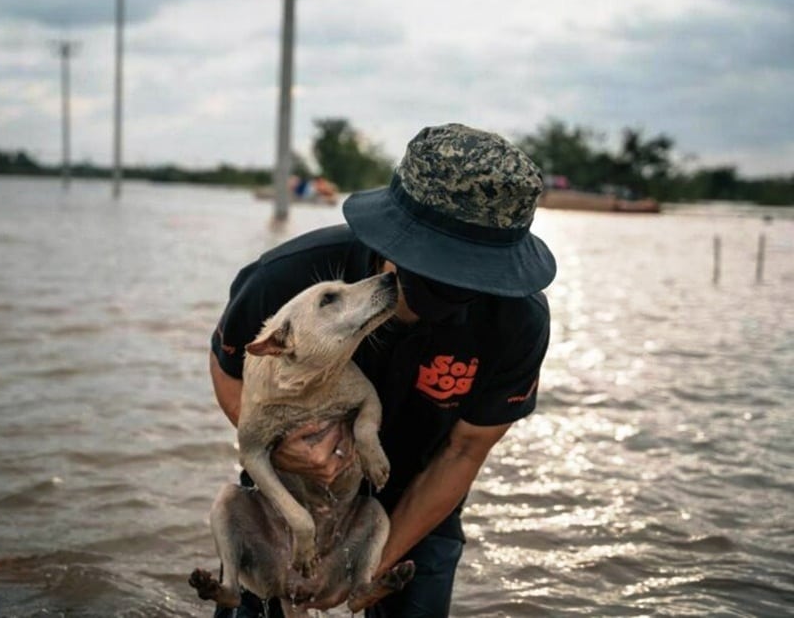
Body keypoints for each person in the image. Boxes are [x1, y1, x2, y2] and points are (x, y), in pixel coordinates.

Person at [209, 123, 557, 617]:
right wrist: (285, 450)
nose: (450, 286)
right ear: (393, 236)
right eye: (437, 266)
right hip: (288, 495)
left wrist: (362, 569)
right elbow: (228, 366)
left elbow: (463, 451)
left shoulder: (516, 320)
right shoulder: (288, 279)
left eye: (470, 274)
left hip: (420, 495)